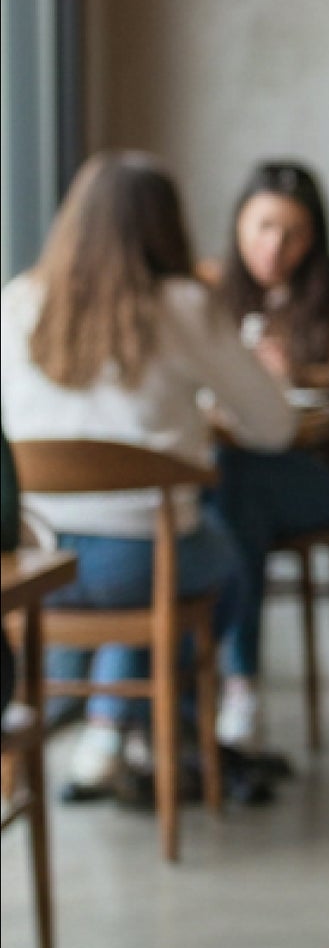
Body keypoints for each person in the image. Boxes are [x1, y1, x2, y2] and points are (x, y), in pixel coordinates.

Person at [0, 151, 298, 804]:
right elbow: (275, 427)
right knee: (217, 563)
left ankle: (108, 736)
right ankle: (143, 732)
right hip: (142, 561)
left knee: (158, 563)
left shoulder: (17, 301)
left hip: (36, 563)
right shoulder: (185, 305)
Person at [195, 159, 329, 754]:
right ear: (239, 224)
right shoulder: (207, 289)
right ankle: (223, 693)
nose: (274, 246)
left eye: (293, 233)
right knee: (228, 501)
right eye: (263, 227)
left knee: (233, 497)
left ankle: (225, 689)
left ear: (314, 237)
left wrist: (296, 371)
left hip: (310, 475)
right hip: (224, 470)